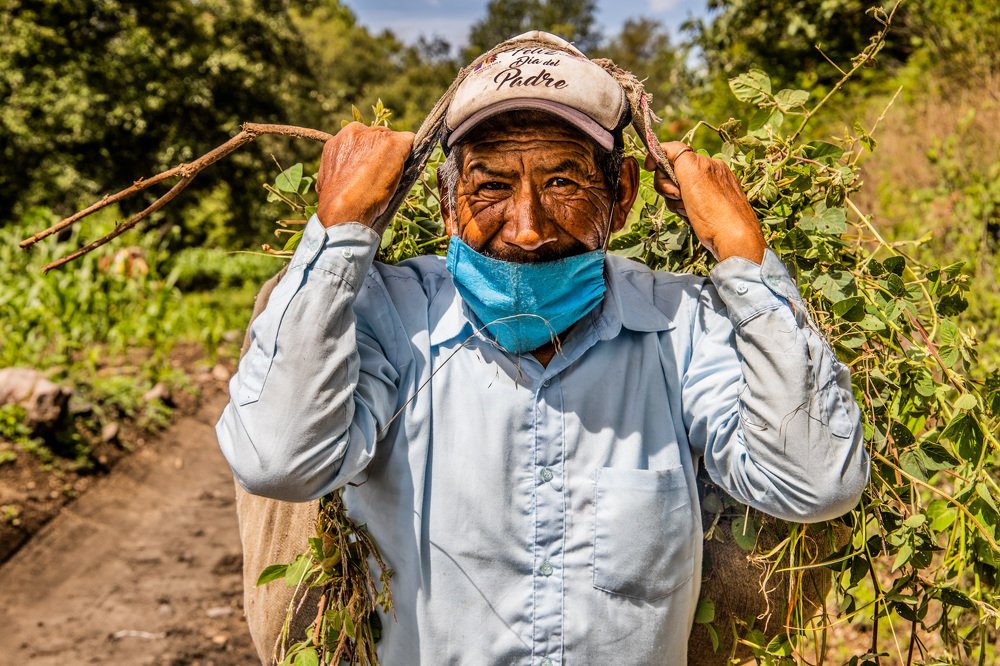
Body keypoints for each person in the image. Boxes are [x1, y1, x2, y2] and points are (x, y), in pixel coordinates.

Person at [216, 31, 868, 665]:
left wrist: (742, 255)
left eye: (563, 181)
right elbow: (281, 461)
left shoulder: (683, 325)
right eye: (491, 184)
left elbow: (816, 482)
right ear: (447, 203)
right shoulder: (389, 318)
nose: (527, 230)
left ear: (622, 196)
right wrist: (341, 230)